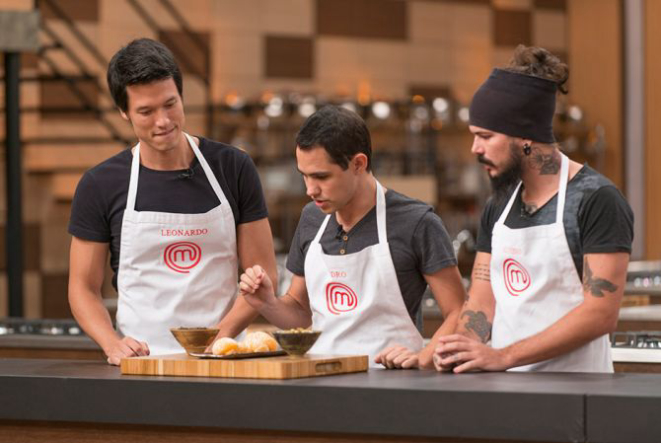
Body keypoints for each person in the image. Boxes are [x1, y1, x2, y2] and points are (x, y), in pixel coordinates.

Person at [68, 38, 277, 365]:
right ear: (124, 112)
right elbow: (82, 288)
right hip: (139, 365)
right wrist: (112, 344)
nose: (163, 121)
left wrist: (221, 337)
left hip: (223, 361)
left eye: (170, 104)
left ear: (181, 96)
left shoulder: (233, 167)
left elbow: (263, 275)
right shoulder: (100, 184)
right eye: (146, 112)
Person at [433, 45, 633, 373]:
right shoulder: (498, 206)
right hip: (508, 392)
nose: (475, 148)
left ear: (525, 138)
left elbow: (600, 314)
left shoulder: (596, 199)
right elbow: (482, 304)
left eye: (485, 136)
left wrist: (504, 356)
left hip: (578, 397)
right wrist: (462, 346)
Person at [239, 105, 466, 368]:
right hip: (321, 378)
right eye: (304, 176)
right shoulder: (311, 219)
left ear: (358, 163)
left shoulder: (416, 222)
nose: (310, 190)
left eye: (321, 176)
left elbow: (459, 311)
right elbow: (301, 313)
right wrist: (267, 303)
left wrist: (422, 359)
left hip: (393, 385)